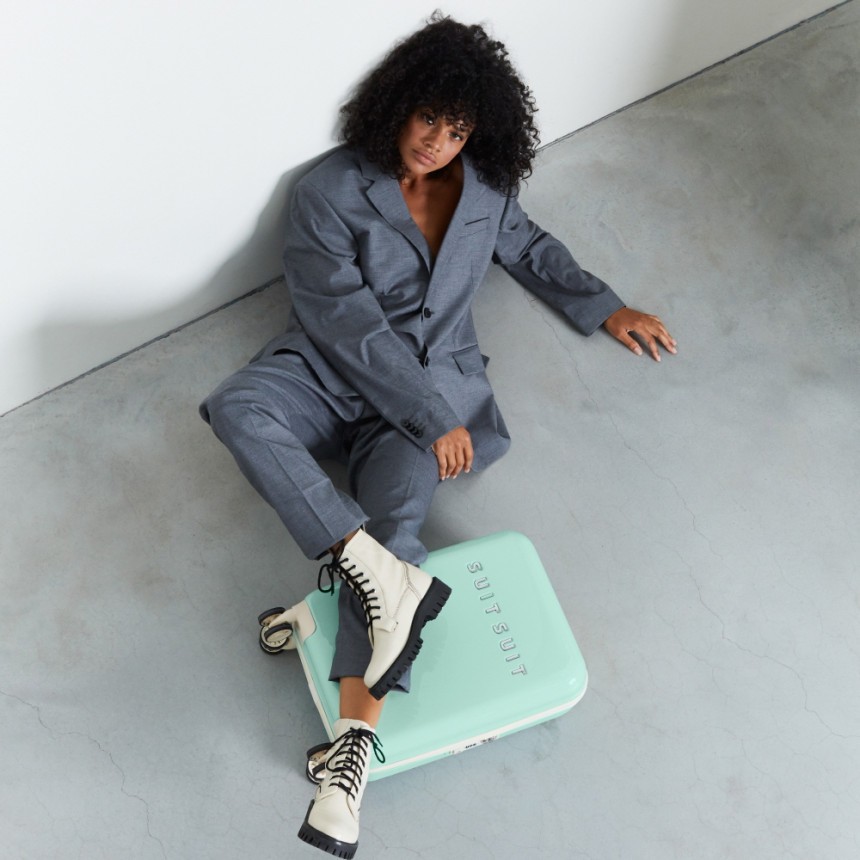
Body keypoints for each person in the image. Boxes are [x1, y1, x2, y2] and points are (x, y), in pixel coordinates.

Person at [200, 13, 676, 859]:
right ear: (396, 106)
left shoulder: (484, 189)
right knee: (237, 407)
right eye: (428, 119)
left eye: (457, 130)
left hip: (435, 395)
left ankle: (351, 755)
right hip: (334, 372)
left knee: (397, 527)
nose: (437, 142)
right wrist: (432, 415)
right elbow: (344, 324)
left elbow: (529, 246)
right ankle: (379, 574)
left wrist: (604, 306)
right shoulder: (327, 193)